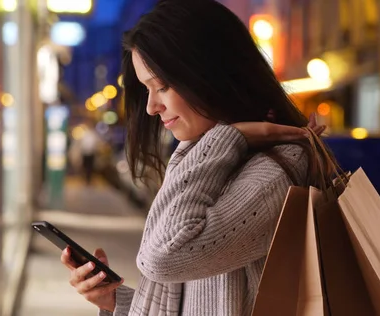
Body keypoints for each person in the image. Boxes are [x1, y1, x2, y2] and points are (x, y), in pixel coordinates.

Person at [61, 0, 330, 315]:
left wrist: (228, 137)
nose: (151, 107)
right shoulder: (218, 161)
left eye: (161, 86)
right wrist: (113, 300)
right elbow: (198, 302)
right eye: (146, 90)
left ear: (208, 74)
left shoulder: (274, 174)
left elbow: (163, 257)